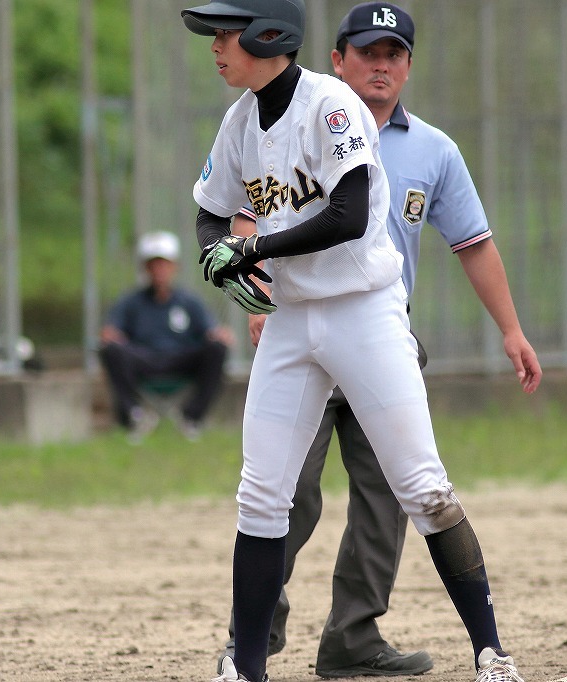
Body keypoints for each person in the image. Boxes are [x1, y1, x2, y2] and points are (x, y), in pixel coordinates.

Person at [180, 2, 541, 682]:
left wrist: (252, 245)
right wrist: (221, 256)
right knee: (262, 495)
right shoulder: (240, 121)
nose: (216, 48)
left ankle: (492, 652)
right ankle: (247, 667)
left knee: (422, 487)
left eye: (226, 35)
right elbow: (208, 211)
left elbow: (347, 216)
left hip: (365, 313)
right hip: (291, 319)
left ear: (268, 36)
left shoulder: (330, 105)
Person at [98, 230, 233, 441]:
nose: (159, 270)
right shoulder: (131, 302)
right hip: (144, 358)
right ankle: (135, 414)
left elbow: (211, 331)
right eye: (154, 264)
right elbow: (111, 330)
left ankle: (192, 415)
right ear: (146, 268)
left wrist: (218, 335)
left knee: (217, 349)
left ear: (174, 266)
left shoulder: (189, 302)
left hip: (180, 358)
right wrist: (111, 335)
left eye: (164, 264)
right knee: (111, 350)